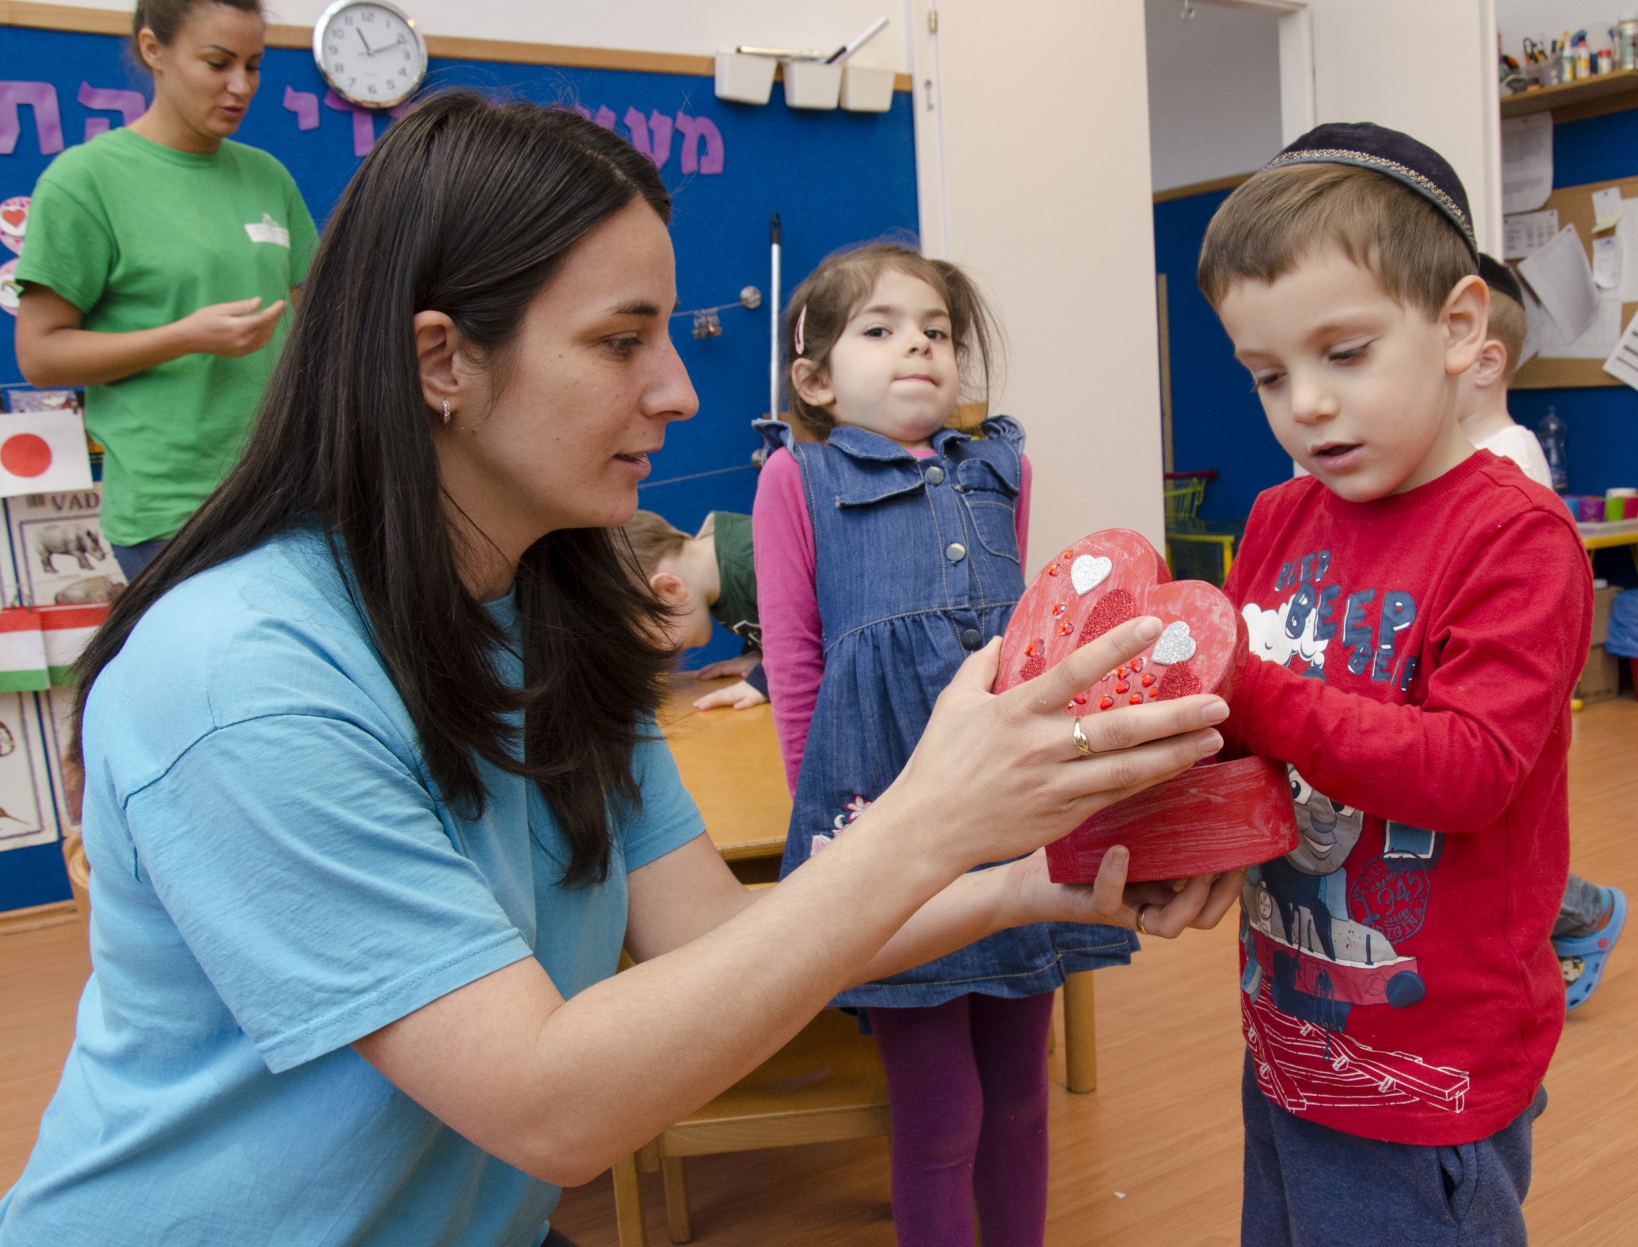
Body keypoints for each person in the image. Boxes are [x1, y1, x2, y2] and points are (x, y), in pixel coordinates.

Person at [0, 94, 1245, 1247]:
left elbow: (723, 937)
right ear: (443, 360)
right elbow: (551, 1105)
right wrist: (926, 818)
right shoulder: (238, 677)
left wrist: (1029, 880)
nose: (678, 388)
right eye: (620, 340)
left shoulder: (545, 621)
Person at [1196, 123, 1594, 1247]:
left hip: (1435, 1063)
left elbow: (1468, 770)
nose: (1305, 405)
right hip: (1287, 1024)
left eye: (1345, 353)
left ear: (1461, 328)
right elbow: (1252, 744)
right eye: (1268, 375)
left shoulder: (1514, 539)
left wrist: (1253, 690)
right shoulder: (1276, 519)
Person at [754, 242, 1132, 1247]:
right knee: (938, 1114)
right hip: (880, 821)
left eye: (935, 331)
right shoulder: (797, 477)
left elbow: (1029, 641)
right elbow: (797, 667)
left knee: (1017, 1097)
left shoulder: (1006, 463)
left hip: (1016, 814)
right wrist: (828, 832)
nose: (915, 345)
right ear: (815, 378)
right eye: (878, 329)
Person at [12, 0, 315, 580]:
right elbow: (40, 354)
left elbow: (316, 310)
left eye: (255, 65)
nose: (242, 86)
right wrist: (184, 337)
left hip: (288, 494)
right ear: (154, 50)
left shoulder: (267, 176)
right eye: (218, 62)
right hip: (175, 512)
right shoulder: (86, 180)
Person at [1461, 253, 1630, 1010]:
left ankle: (1584, 914)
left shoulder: (1508, 462)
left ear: (1483, 359)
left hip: (1513, 709)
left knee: (1501, 855)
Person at [624, 509, 771, 711]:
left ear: (670, 588)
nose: (660, 652)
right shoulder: (710, 581)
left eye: (650, 638)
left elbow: (821, 634)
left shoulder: (753, 560)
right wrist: (760, 656)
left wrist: (766, 680)